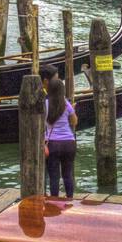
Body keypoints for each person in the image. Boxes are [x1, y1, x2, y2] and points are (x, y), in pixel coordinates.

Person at [40, 64, 77, 199]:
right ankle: (70, 199)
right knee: (68, 175)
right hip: (69, 143)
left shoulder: (45, 104)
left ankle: (54, 201)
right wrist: (71, 111)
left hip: (53, 144)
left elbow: (42, 122)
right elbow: (74, 121)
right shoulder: (66, 103)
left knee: (54, 176)